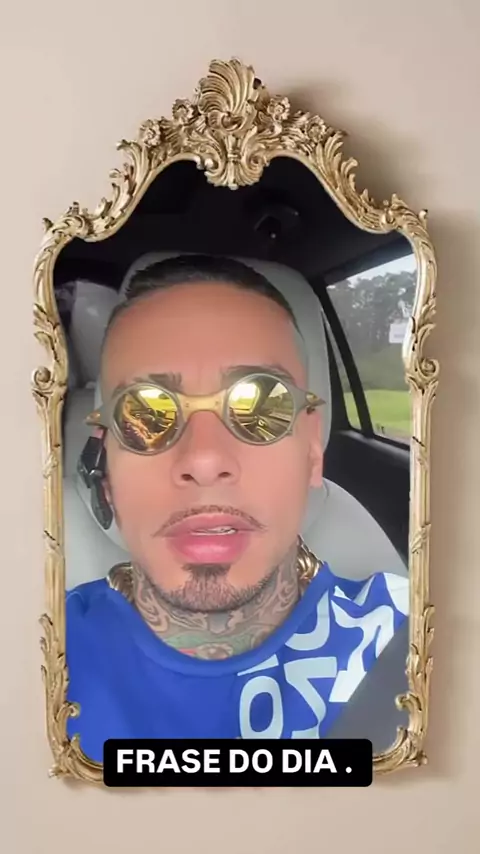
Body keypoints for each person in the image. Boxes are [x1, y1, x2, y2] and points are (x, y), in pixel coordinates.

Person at [66, 255, 408, 762]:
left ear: (312, 450)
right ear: (105, 464)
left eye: (261, 405)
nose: (204, 461)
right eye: (146, 413)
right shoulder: (37, 659)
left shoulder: (420, 640)